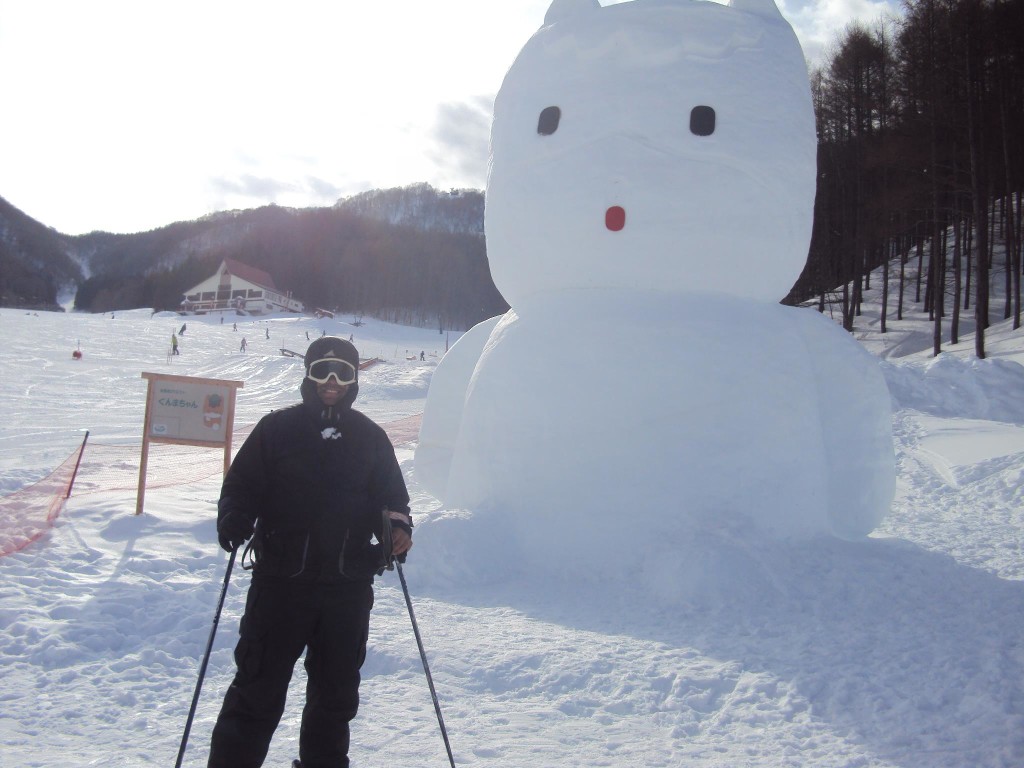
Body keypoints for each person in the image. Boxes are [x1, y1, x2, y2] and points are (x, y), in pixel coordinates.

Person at [208, 337, 413, 768]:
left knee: (335, 697)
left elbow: (394, 497)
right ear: (307, 375)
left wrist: (398, 527)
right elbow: (241, 486)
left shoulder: (370, 438)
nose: (331, 381)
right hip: (282, 584)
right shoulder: (276, 430)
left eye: (342, 372)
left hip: (346, 589)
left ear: (355, 379)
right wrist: (234, 516)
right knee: (257, 690)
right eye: (322, 370)